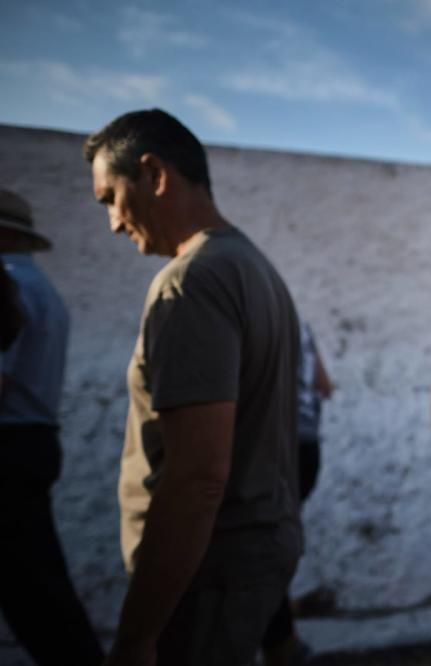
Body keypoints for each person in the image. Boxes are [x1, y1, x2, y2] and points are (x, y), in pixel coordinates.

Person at [84, 109, 302, 666]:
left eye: (111, 197)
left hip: (207, 571)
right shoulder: (253, 267)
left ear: (155, 175)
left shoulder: (191, 281)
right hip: (241, 556)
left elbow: (198, 478)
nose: (111, 221)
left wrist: (136, 636)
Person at [0, 189, 105, 665]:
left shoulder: (9, 286)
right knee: (35, 585)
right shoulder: (44, 290)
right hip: (34, 439)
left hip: (10, 445)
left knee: (35, 590)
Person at [261, 318, 334, 666]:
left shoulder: (246, 319)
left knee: (259, 549)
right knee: (272, 543)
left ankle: (281, 645)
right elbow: (325, 385)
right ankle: (281, 639)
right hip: (307, 447)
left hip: (275, 445)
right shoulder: (300, 324)